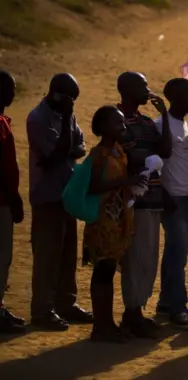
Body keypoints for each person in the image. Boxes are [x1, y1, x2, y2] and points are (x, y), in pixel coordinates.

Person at [27, 73, 93, 331]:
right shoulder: (37, 119)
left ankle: (66, 303)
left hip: (67, 193)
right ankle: (42, 309)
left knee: (67, 254)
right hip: (47, 195)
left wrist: (66, 144)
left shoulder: (67, 115)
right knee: (47, 256)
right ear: (55, 93)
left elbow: (80, 147)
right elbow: (55, 156)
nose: (72, 104)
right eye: (68, 99)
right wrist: (66, 126)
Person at [116, 72, 176, 335]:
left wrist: (165, 117)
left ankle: (137, 310)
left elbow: (164, 151)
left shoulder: (146, 121)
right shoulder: (116, 119)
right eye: (142, 86)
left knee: (148, 256)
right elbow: (126, 154)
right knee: (135, 258)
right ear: (127, 90)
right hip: (133, 199)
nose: (147, 90)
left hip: (151, 196)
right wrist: (148, 157)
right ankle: (132, 312)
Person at [84, 106, 146, 343]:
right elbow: (92, 187)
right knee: (102, 272)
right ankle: (101, 326)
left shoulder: (118, 151)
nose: (123, 127)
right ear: (103, 128)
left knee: (108, 271)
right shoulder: (98, 155)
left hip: (116, 219)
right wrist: (125, 181)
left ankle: (106, 323)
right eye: (118, 124)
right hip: (102, 221)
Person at [155, 79, 188, 324]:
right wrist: (163, 193)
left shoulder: (181, 124)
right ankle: (177, 308)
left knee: (174, 251)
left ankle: (166, 302)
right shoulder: (161, 124)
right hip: (172, 197)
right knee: (178, 253)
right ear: (178, 98)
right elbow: (158, 160)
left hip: (184, 194)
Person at [0, 71, 25, 334]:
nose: (13, 94)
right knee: (2, 256)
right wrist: (14, 198)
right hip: (1, 201)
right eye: (10, 89)